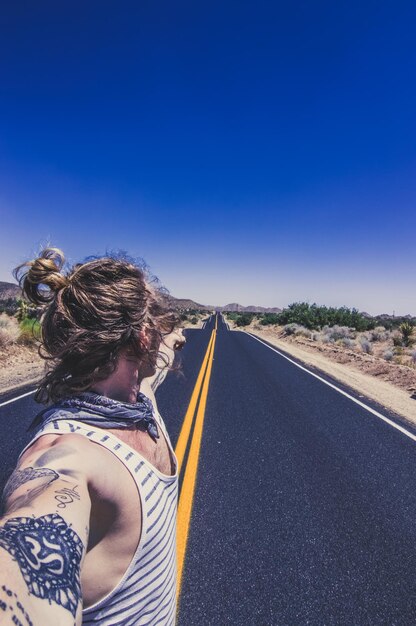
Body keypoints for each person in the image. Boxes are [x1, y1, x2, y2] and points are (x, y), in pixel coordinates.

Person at [0, 248, 185, 626]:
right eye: (155, 321)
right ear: (141, 337)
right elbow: (27, 547)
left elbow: (151, 375)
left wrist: (172, 341)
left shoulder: (138, 401)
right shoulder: (67, 456)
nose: (162, 327)